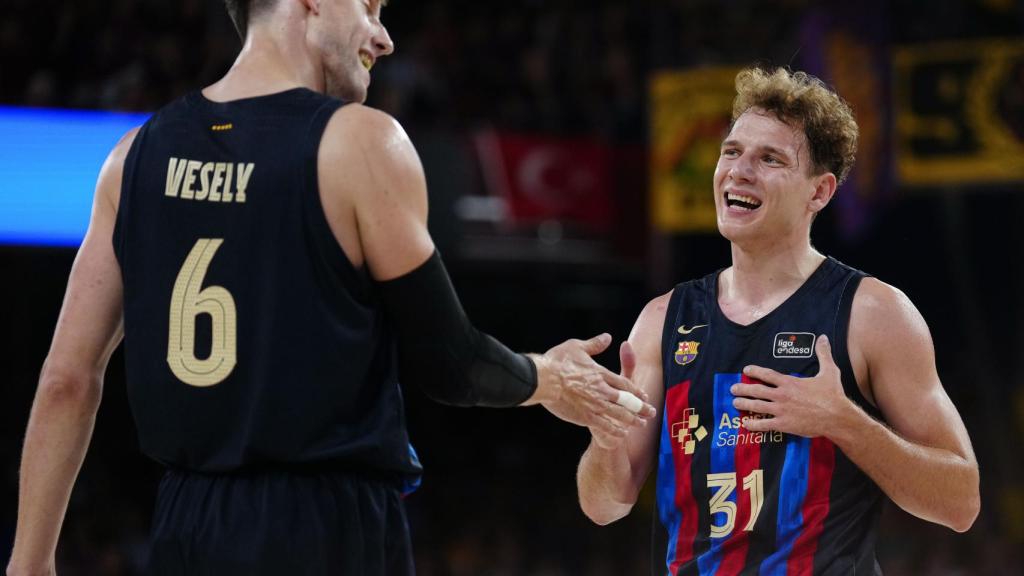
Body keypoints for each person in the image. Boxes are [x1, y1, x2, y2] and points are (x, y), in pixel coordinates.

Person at [5, 1, 656, 575]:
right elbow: (451, 364)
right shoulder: (360, 142)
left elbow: (66, 378)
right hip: (324, 523)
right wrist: (550, 377)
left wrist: (29, 559)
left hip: (184, 521)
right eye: (371, 6)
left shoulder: (131, 157)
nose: (385, 37)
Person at [576, 66, 980, 575]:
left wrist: (844, 422)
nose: (739, 170)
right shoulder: (663, 320)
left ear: (819, 192)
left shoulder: (872, 314)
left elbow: (960, 502)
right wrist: (604, 436)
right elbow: (604, 504)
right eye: (731, 151)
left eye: (769, 159)